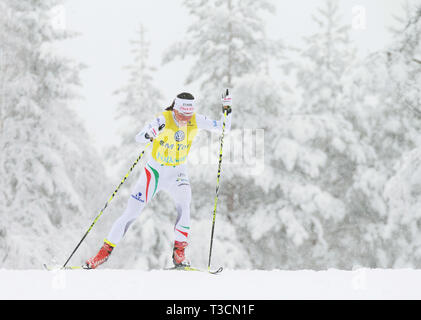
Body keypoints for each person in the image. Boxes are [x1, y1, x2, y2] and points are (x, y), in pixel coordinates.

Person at [85, 91, 232, 269]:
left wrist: (227, 109)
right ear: (175, 109)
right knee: (131, 213)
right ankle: (102, 254)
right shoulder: (163, 118)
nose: (186, 118)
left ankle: (179, 253)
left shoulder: (196, 119)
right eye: (182, 114)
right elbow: (139, 137)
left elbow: (224, 127)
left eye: (189, 114)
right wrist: (149, 134)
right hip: (154, 172)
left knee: (184, 204)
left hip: (177, 173)